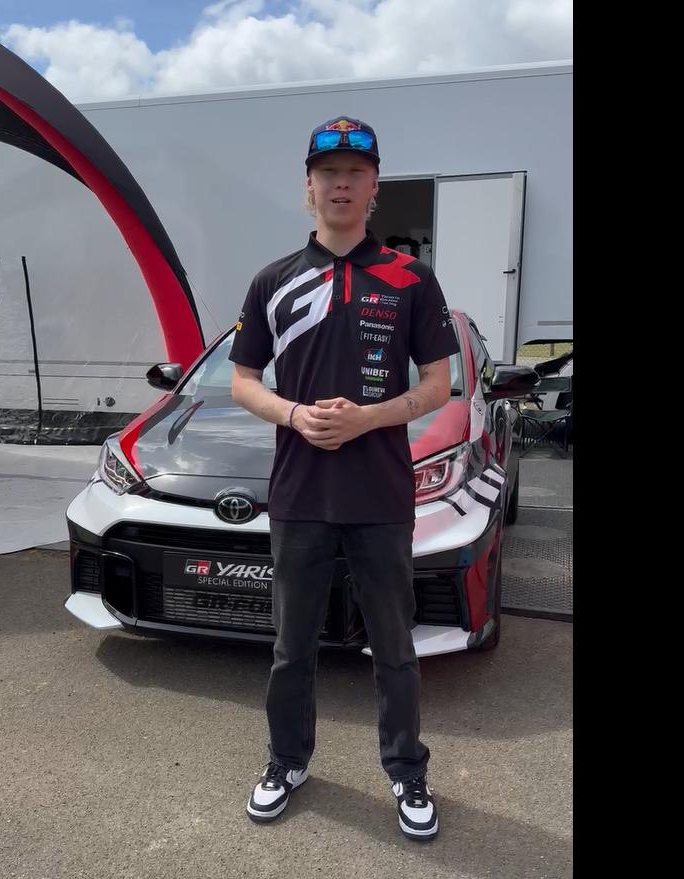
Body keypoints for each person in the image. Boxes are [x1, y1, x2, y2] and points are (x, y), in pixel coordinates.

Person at [228, 115, 459, 841]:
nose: (341, 184)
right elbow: (242, 380)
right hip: (299, 494)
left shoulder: (410, 277)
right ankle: (286, 762)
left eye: (355, 172)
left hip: (381, 494)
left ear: (374, 186)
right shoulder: (273, 280)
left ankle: (407, 770)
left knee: (394, 647)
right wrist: (295, 414)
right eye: (328, 172)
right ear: (309, 186)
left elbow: (438, 384)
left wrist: (368, 419)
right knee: (291, 648)